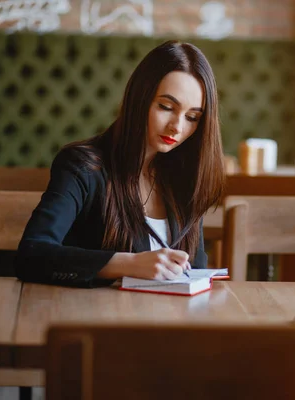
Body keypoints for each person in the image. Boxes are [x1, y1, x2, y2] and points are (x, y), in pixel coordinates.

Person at [15, 40, 225, 288]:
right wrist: (130, 264)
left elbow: (195, 273)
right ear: (140, 98)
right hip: (95, 318)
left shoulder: (185, 175)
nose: (177, 127)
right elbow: (32, 254)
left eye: (192, 117)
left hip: (170, 320)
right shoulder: (83, 166)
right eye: (166, 107)